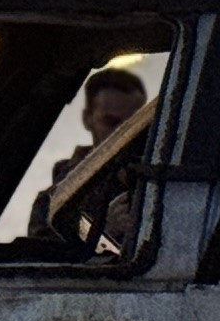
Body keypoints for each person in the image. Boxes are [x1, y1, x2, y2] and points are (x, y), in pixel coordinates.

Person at [30, 66, 153, 257]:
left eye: (131, 124)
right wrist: (103, 231)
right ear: (88, 119)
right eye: (111, 122)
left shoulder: (157, 182)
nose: (120, 132)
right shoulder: (53, 204)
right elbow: (47, 272)